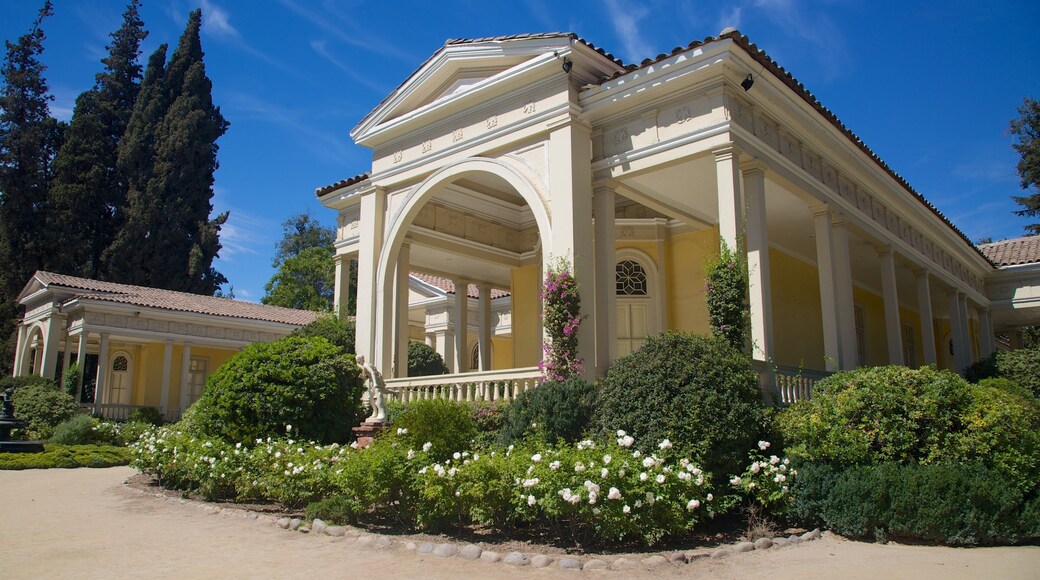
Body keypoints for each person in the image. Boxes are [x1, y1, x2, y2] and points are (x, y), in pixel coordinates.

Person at [356, 355, 388, 423]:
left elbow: (372, 372)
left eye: (358, 360)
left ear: (361, 359)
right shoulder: (364, 366)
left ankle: (381, 413)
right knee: (370, 397)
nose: (357, 361)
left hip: (375, 381)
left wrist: (375, 383)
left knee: (378, 395)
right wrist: (362, 377)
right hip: (372, 381)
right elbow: (368, 376)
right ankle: (375, 412)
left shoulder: (366, 365)